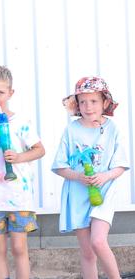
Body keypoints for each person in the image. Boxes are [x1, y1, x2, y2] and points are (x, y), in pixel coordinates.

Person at [0, 65, 45, 279]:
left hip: (18, 196)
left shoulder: (20, 122)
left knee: (19, 248)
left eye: (1, 92)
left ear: (10, 93)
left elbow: (40, 150)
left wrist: (19, 157)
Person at [52, 76, 128, 279]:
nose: (88, 106)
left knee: (98, 242)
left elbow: (120, 165)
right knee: (87, 253)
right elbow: (59, 167)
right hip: (78, 194)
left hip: (104, 191)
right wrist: (77, 176)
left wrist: (104, 176)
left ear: (105, 102)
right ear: (76, 104)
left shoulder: (112, 129)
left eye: (93, 101)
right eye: (82, 101)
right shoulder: (71, 130)